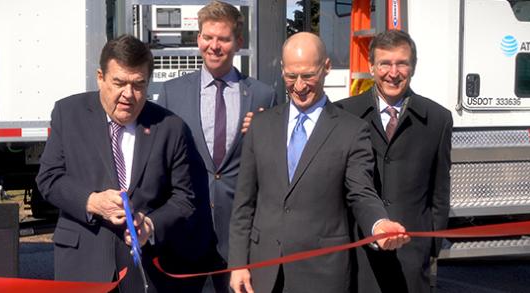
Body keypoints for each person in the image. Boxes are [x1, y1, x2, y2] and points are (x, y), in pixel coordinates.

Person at [227, 32, 410, 293]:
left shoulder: (352, 130)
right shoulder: (261, 125)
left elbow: (361, 192)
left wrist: (379, 224)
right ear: (282, 70)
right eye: (291, 76)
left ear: (326, 68)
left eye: (308, 75)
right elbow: (243, 204)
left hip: (323, 275)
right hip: (263, 272)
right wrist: (237, 264)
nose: (299, 86)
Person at [36, 34, 198, 292]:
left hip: (146, 271)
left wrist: (150, 225)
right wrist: (92, 202)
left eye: (138, 85)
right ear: (100, 77)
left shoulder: (170, 127)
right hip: (82, 265)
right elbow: (49, 178)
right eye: (119, 83)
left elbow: (185, 198)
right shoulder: (68, 113)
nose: (128, 95)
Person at [155, 1, 278, 292]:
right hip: (185, 234)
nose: (214, 46)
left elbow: (272, 166)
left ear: (238, 42)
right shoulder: (172, 93)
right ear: (198, 38)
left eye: (223, 38)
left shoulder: (263, 96)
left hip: (239, 240)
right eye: (207, 37)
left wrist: (266, 131)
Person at [335, 29, 452, 293]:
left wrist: (430, 245)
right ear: (371, 66)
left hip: (411, 253)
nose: (393, 72)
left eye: (402, 63)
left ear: (413, 67)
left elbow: (440, 189)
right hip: (357, 249)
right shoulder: (344, 113)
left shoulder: (437, 119)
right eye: (385, 63)